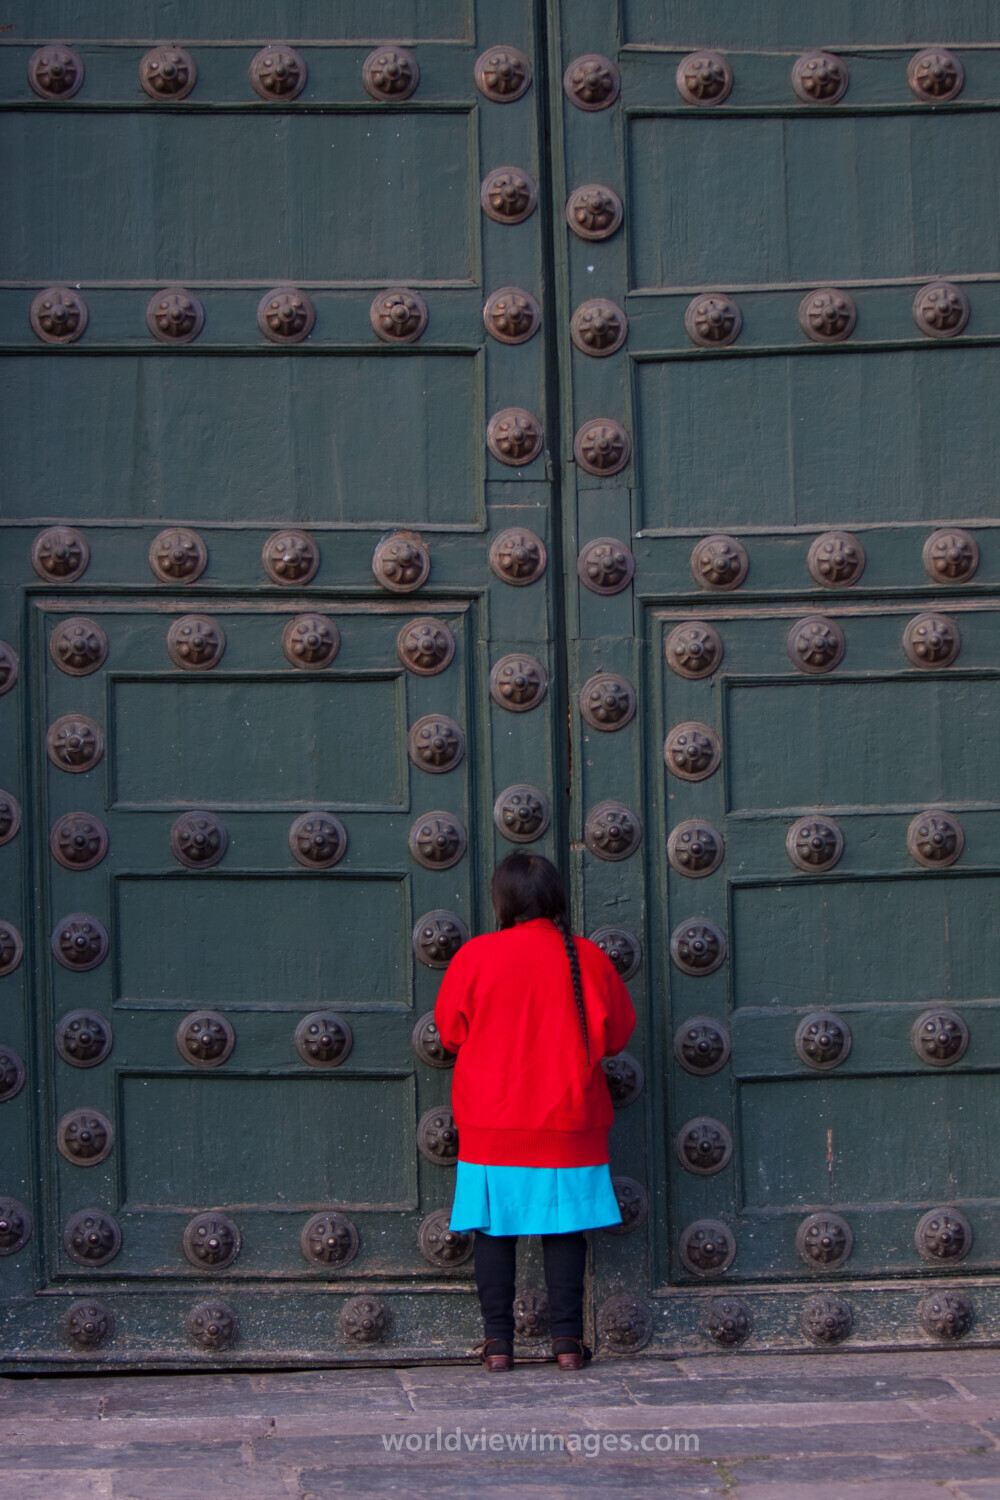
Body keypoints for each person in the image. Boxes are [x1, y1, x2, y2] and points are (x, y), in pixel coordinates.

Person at [434, 852, 636, 1371]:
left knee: (493, 1229)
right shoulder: (586, 957)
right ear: (555, 898)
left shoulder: (475, 957)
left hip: (492, 1118)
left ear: (502, 900)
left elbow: (452, 1033)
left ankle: (498, 1344)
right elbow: (616, 1036)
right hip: (570, 1118)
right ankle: (567, 1343)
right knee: (566, 1229)